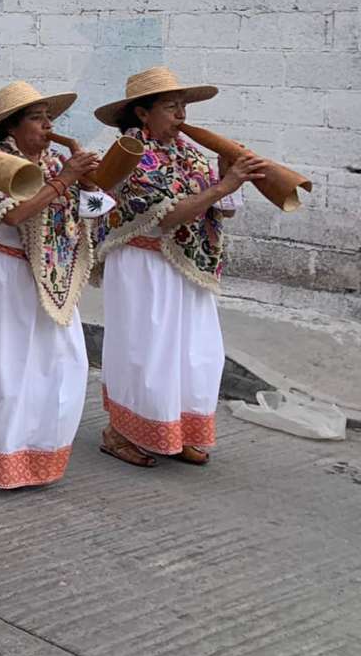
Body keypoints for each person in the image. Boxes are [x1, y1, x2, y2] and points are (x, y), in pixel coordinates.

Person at [93, 67, 261, 469]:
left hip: (187, 266)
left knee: (194, 354)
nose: (181, 115)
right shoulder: (128, 154)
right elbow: (166, 218)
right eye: (171, 107)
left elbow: (219, 210)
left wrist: (223, 174)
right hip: (143, 265)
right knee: (145, 352)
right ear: (142, 114)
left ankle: (174, 431)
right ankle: (119, 433)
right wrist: (224, 185)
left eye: (183, 106)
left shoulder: (187, 150)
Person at [0, 81, 111, 489]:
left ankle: (39, 454)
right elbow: (12, 216)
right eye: (36, 118)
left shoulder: (58, 160)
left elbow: (98, 215)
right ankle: (2, 458)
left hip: (52, 275)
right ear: (11, 128)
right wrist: (64, 180)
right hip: (2, 273)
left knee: (61, 366)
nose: (48, 125)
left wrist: (91, 183)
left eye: (49, 117)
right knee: (6, 369)